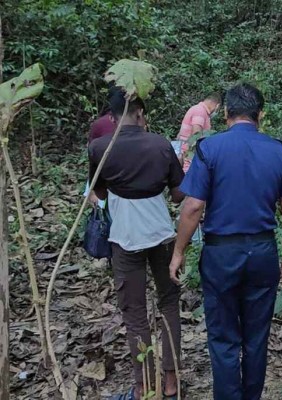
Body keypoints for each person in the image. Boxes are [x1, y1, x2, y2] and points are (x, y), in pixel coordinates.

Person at [169, 83, 282, 400]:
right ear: (260, 115)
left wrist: (178, 251)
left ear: (226, 112)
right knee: (256, 337)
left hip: (221, 254)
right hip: (262, 252)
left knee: (223, 336)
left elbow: (193, 206)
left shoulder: (210, 149)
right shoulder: (279, 151)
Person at [89, 90, 185, 400]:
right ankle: (171, 381)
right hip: (161, 234)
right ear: (141, 113)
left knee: (134, 312)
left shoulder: (100, 148)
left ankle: (144, 385)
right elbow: (178, 194)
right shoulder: (160, 144)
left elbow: (99, 194)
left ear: (112, 117)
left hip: (125, 237)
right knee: (169, 302)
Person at [176, 92, 222, 172]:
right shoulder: (200, 111)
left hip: (185, 154)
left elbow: (179, 135)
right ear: (217, 105)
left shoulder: (197, 109)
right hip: (189, 157)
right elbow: (196, 135)